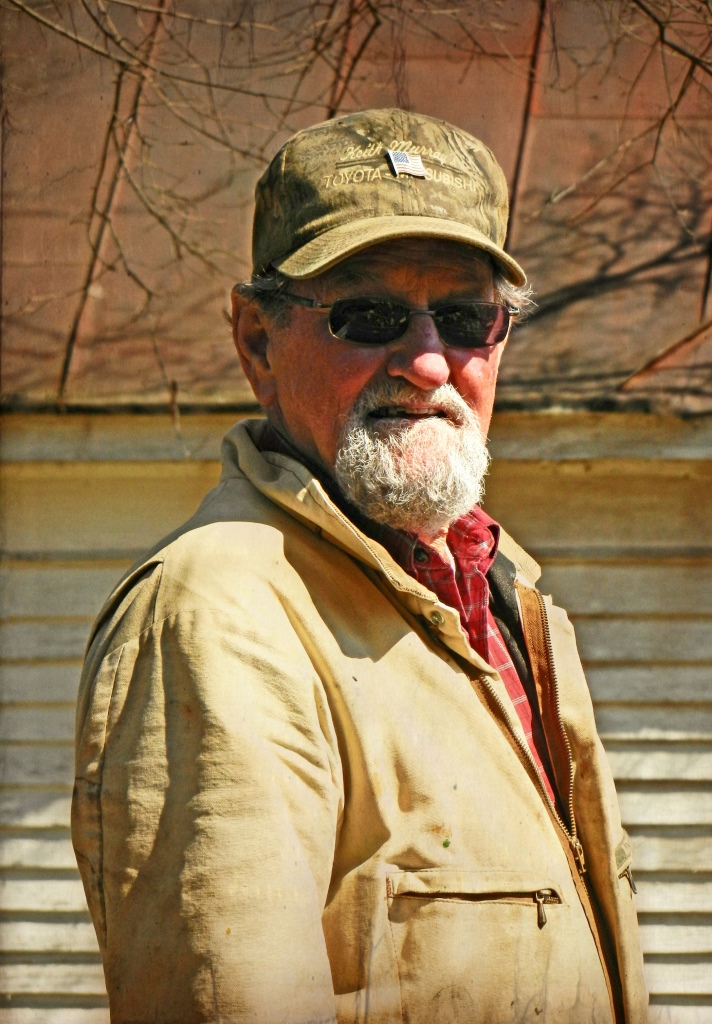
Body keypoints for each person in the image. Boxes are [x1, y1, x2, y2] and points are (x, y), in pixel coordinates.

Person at [72, 108, 648, 1024]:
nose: (427, 362)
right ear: (257, 341)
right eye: (368, 314)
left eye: (464, 318)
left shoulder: (507, 599)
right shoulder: (223, 613)